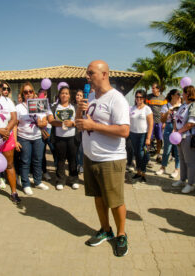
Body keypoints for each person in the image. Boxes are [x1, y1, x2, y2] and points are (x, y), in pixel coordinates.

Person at [75, 60, 130, 257]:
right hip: (90, 157)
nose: (87, 76)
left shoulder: (117, 99)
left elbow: (124, 130)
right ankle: (106, 230)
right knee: (98, 197)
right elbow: (80, 123)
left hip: (110, 159)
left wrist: (93, 126)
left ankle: (121, 234)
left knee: (114, 200)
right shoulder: (90, 96)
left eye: (91, 73)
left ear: (104, 74)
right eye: (87, 73)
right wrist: (79, 111)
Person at [15, 82, 49, 195]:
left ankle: (38, 181)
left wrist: (42, 122)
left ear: (33, 92)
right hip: (23, 137)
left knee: (38, 160)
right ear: (22, 94)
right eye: (25, 92)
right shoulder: (18, 107)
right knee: (25, 161)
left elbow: (45, 121)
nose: (28, 94)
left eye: (30, 91)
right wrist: (15, 141)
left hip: (37, 137)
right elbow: (15, 125)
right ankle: (26, 184)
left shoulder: (39, 104)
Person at [48, 86, 79, 190]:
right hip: (59, 138)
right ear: (59, 95)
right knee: (60, 160)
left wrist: (73, 123)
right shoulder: (54, 107)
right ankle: (60, 180)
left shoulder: (74, 107)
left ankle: (73, 179)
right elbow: (50, 120)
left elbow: (79, 121)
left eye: (66, 93)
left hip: (72, 138)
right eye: (62, 93)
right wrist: (61, 123)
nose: (64, 95)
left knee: (73, 159)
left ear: (69, 95)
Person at [0, 77, 21, 203]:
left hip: (6, 138)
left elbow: (14, 118)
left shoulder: (8, 101)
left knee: (9, 165)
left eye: (0, 85)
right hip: (0, 135)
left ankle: (14, 193)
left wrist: (6, 130)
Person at [172, 85, 195, 193]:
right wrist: (175, 130)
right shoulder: (183, 105)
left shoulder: (193, 106)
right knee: (182, 159)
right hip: (179, 136)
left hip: (188, 136)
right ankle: (182, 179)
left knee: (190, 161)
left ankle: (190, 183)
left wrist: (179, 132)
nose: (182, 94)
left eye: (184, 93)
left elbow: (191, 123)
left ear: (188, 94)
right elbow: (176, 119)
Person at [156, 89, 181, 178]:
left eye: (180, 94)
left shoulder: (181, 106)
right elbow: (162, 120)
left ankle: (176, 169)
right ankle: (163, 167)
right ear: (172, 95)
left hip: (178, 128)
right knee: (167, 149)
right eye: (178, 94)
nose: (179, 95)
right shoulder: (166, 106)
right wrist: (167, 112)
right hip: (168, 128)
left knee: (177, 151)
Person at [130, 90, 153, 182]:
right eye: (137, 97)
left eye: (141, 97)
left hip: (143, 134)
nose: (138, 99)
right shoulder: (132, 108)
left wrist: (148, 138)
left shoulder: (147, 109)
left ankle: (143, 172)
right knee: (136, 154)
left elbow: (151, 124)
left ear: (144, 98)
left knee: (142, 154)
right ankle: (138, 172)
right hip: (133, 133)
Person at [146, 83, 166, 163]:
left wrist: (164, 122)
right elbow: (146, 108)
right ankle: (147, 157)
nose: (152, 89)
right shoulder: (148, 97)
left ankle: (158, 155)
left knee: (159, 139)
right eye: (152, 88)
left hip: (160, 121)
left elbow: (165, 110)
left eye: (154, 88)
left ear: (158, 89)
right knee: (149, 139)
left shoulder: (163, 97)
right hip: (150, 121)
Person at [74, 89, 84, 173]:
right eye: (77, 95)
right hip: (73, 130)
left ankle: (81, 164)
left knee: (81, 149)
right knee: (75, 149)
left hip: (81, 131)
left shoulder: (84, 107)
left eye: (80, 95)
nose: (78, 96)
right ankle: (77, 163)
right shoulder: (72, 106)